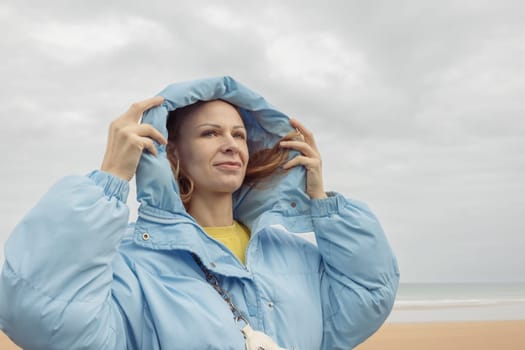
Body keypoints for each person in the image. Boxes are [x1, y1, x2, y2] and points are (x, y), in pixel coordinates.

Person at [0, 76, 399, 349]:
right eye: (210, 133)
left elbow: (365, 299)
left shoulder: (292, 252)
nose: (231, 145)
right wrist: (111, 178)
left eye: (239, 134)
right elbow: (43, 316)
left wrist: (322, 202)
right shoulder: (132, 262)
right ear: (170, 152)